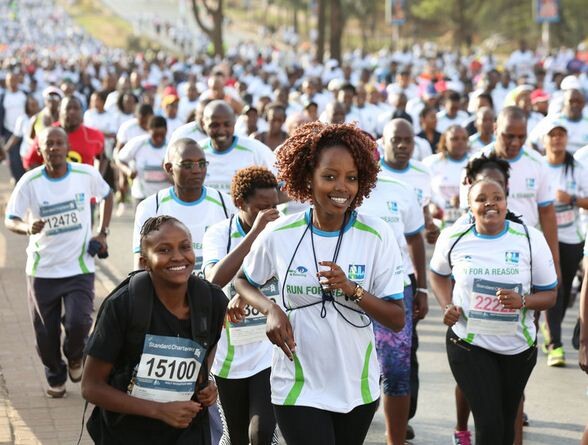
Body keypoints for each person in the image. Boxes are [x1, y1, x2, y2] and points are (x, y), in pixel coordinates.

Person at [233, 122, 406, 445]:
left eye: (351, 178)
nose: (342, 187)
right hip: (297, 384)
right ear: (307, 178)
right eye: (330, 176)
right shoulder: (280, 233)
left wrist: (352, 289)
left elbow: (396, 319)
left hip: (356, 386)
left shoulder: (376, 234)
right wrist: (271, 310)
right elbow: (243, 281)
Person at [430, 177, 557, 445]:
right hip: (468, 342)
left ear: (506, 202)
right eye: (481, 199)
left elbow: (550, 295)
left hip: (517, 347)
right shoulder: (454, 237)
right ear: (469, 206)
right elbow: (438, 274)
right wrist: (446, 305)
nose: (490, 203)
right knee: (489, 423)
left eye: (497, 198)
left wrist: (523, 301)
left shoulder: (529, 238)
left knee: (506, 425)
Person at [82, 216, 228, 444]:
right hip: (126, 433)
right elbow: (91, 387)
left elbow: (207, 346)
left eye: (185, 247)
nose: (178, 256)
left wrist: (204, 382)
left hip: (187, 431)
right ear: (144, 262)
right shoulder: (123, 305)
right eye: (164, 250)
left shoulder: (213, 300)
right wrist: (160, 410)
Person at [4, 126, 113, 398]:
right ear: (40, 150)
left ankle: (75, 356)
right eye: (48, 144)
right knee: (45, 335)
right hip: (43, 269)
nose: (54, 148)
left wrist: (102, 233)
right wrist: (26, 227)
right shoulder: (30, 182)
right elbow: (11, 219)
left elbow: (107, 195)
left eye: (59, 143)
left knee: (79, 323)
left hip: (79, 266)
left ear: (67, 147)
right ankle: (55, 373)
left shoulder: (85, 175)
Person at [202, 166, 280, 445]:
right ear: (239, 203)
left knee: (260, 433)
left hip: (269, 352)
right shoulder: (219, 234)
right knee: (236, 437)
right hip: (229, 354)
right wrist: (256, 232)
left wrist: (248, 293)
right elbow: (214, 280)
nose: (270, 214)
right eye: (261, 208)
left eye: (274, 206)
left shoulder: (283, 232)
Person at [358, 169, 427, 443]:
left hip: (396, 286)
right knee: (353, 366)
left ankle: (395, 439)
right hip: (343, 287)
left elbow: (414, 237)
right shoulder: (333, 189)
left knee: (396, 370)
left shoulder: (400, 188)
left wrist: (422, 288)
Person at [132, 137, 234, 270]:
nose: (197, 170)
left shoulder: (226, 204)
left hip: (213, 283)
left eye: (202, 163)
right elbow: (141, 263)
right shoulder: (150, 207)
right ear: (169, 168)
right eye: (187, 165)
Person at [542, 121, 588, 366]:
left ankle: (551, 329)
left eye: (561, 135)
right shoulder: (539, 167)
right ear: (544, 140)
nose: (557, 139)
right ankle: (555, 345)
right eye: (552, 135)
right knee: (554, 287)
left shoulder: (576, 168)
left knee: (565, 286)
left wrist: (571, 199)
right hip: (543, 237)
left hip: (571, 236)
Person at [196, 100, 276, 193]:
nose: (221, 131)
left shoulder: (256, 150)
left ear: (234, 122)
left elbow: (281, 185)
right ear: (203, 124)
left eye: (227, 125)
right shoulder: (196, 152)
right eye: (215, 125)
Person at [423, 125, 471, 227]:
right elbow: (422, 191)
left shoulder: (475, 162)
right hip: (437, 221)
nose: (460, 142)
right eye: (454, 139)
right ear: (445, 141)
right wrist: (430, 206)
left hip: (467, 222)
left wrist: (462, 198)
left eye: (464, 139)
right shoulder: (430, 163)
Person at [116, 116, 169, 206]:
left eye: (162, 134)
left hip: (164, 198)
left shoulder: (171, 146)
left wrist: (168, 171)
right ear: (149, 130)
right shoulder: (138, 143)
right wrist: (128, 171)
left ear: (166, 131)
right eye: (155, 135)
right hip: (141, 197)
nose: (159, 138)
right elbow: (119, 159)